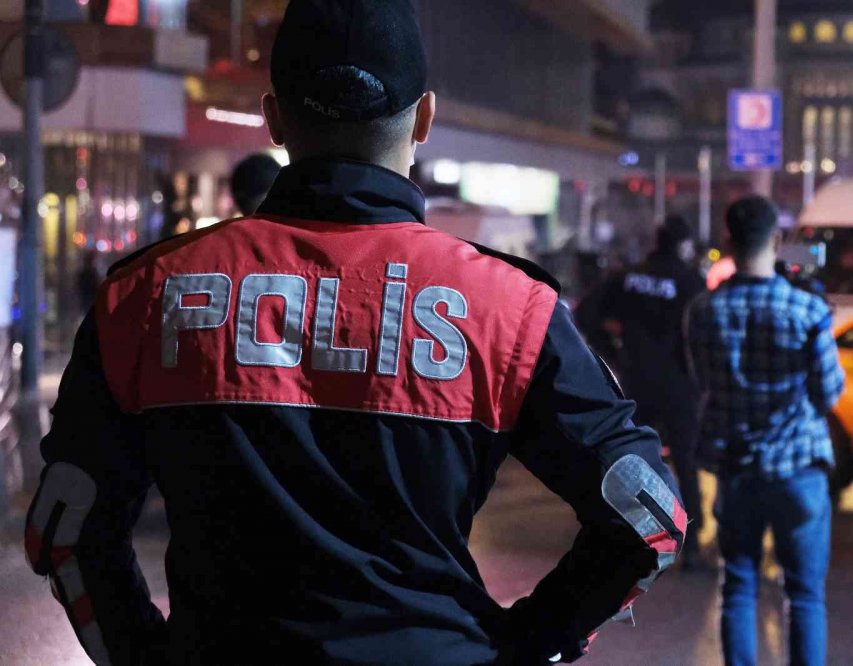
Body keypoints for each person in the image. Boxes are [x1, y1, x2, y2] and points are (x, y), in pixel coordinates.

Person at [23, 2, 687, 665]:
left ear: (275, 117)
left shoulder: (145, 295)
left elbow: (67, 531)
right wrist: (526, 644)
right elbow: (647, 517)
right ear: (424, 116)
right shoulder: (510, 307)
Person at [687, 196, 845, 666]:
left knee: (738, 585)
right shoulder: (807, 310)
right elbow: (829, 393)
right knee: (805, 595)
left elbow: (703, 381)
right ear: (777, 241)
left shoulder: (703, 311)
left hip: (736, 471)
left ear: (728, 242)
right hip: (799, 472)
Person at [599, 215, 707, 569]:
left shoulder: (628, 277)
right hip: (678, 385)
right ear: (683, 245)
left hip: (635, 382)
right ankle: (690, 546)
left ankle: (628, 537)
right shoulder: (691, 281)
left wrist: (611, 353)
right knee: (686, 461)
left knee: (633, 461)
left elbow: (588, 313)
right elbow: (703, 334)